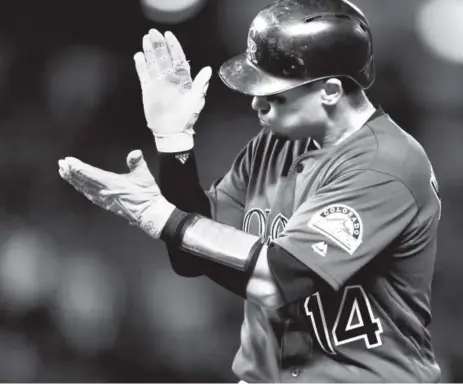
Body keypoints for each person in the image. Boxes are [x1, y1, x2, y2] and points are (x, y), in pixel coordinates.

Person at [58, 0, 442, 382]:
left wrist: (163, 217)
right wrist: (174, 141)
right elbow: (192, 255)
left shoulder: (386, 164)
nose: (256, 103)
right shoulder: (272, 144)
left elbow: (277, 282)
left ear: (330, 90)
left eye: (275, 95)